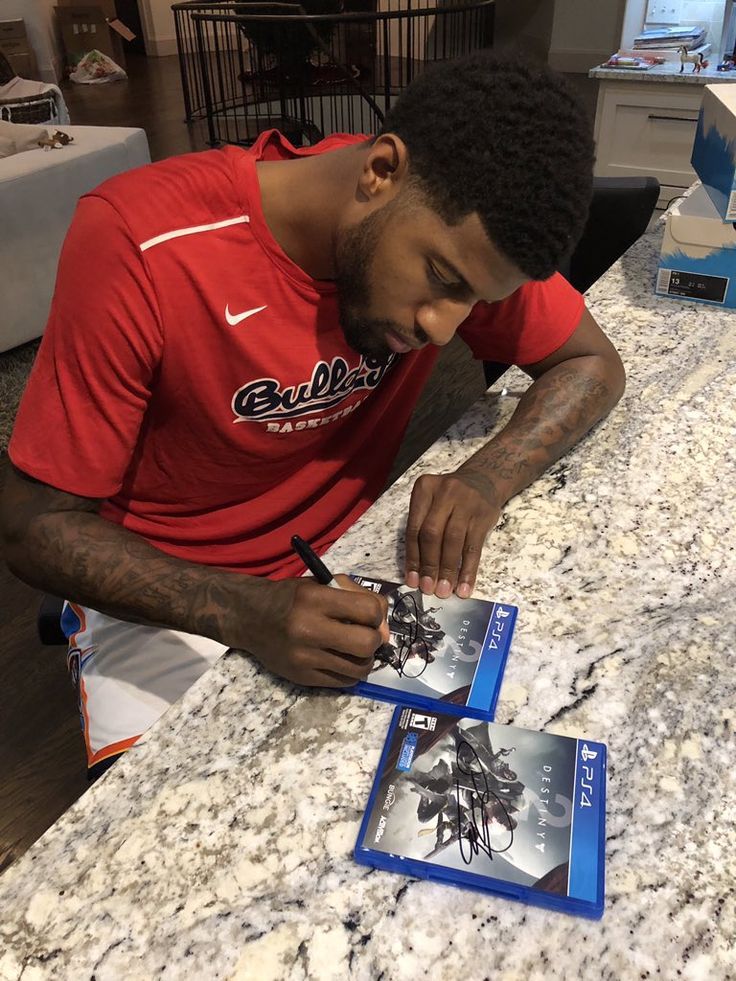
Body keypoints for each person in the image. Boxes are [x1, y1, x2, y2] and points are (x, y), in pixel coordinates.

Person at [0, 51, 625, 777]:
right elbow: (32, 525)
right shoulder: (141, 240)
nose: (444, 328)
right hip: (170, 594)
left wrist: (488, 476)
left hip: (352, 565)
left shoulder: (465, 231)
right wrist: (243, 609)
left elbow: (593, 365)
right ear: (381, 171)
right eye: (443, 280)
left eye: (477, 304)